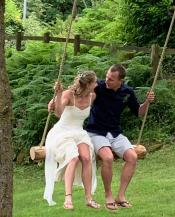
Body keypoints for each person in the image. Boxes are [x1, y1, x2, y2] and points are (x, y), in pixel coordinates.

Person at [86, 64, 155, 210]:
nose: (106, 81)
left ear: (120, 81)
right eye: (106, 77)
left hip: (115, 132)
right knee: (108, 157)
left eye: (111, 79)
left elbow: (139, 112)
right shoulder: (97, 86)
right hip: (96, 131)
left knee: (132, 157)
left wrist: (147, 102)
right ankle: (108, 195)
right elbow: (80, 93)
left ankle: (121, 196)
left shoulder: (127, 92)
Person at [44, 71, 100, 210]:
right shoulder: (68, 94)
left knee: (87, 158)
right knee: (73, 158)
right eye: (94, 82)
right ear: (88, 84)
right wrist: (58, 95)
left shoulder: (92, 96)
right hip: (62, 133)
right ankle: (68, 198)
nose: (97, 84)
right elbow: (58, 113)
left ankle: (89, 198)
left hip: (79, 133)